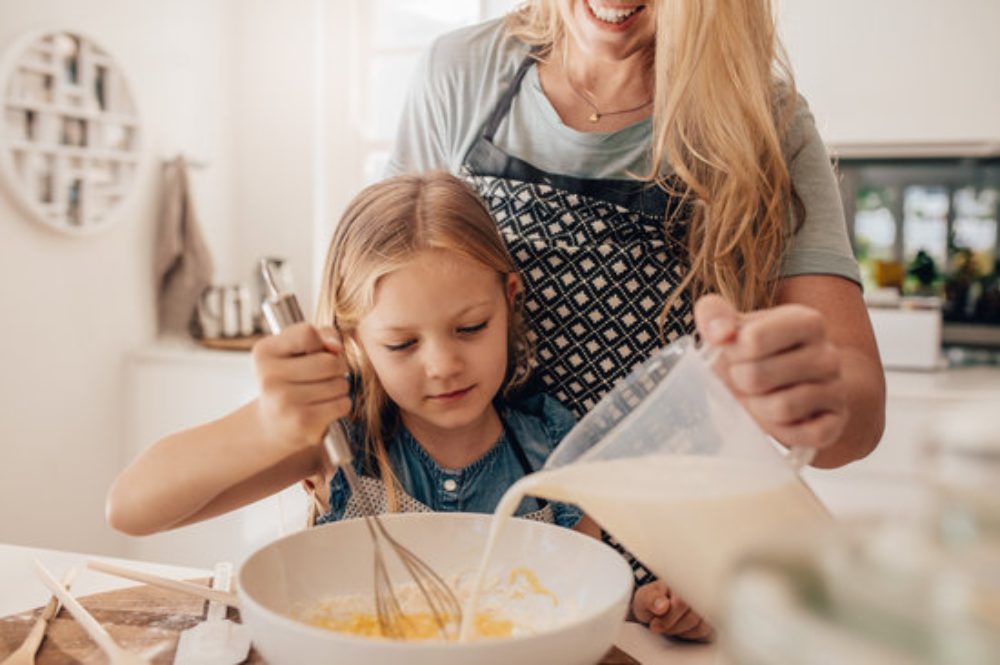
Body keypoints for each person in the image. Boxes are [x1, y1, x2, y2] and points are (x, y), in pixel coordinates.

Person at [385, 0, 885, 641]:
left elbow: (860, 416)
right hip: (478, 545)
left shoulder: (765, 121)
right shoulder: (463, 73)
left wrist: (804, 395)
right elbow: (379, 295)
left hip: (669, 582)